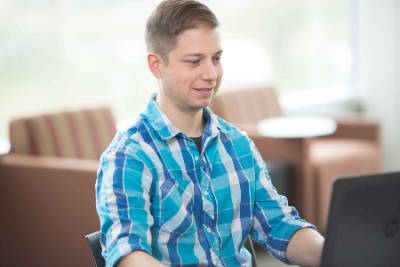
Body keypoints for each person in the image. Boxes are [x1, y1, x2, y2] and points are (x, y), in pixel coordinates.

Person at [96, 1, 324, 266]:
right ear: (156, 65)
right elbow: (127, 254)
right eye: (195, 62)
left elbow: (279, 226)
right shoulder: (129, 156)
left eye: (216, 58)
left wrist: (337, 251)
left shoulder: (238, 145)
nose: (211, 74)